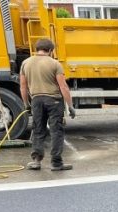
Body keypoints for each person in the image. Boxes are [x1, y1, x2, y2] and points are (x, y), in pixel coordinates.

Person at [19, 38, 75, 172]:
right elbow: (63, 86)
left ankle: (36, 161)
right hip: (54, 100)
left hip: (36, 100)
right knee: (56, 131)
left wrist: (26, 104)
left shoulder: (25, 63)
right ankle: (56, 163)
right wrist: (70, 106)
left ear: (36, 49)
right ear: (51, 50)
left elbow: (23, 86)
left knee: (38, 130)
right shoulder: (55, 64)